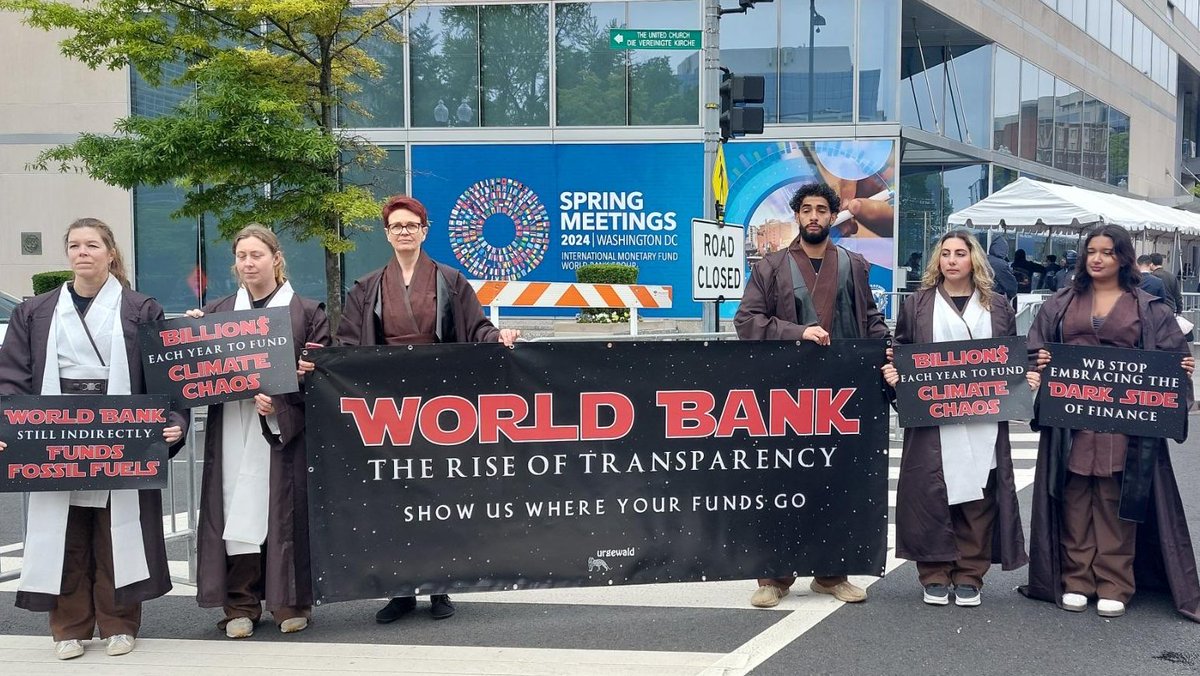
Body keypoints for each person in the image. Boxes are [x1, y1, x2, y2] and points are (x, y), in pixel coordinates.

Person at [0, 218, 186, 659]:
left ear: (110, 253)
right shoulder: (36, 311)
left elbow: (166, 372)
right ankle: (69, 626)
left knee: (116, 529)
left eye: (92, 245)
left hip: (120, 431)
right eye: (75, 245)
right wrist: (9, 428)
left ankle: (119, 623)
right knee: (66, 533)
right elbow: (12, 376)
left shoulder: (141, 308)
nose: (83, 252)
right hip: (56, 430)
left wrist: (173, 418)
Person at [333, 195, 520, 624]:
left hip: (439, 404)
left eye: (410, 225)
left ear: (424, 230)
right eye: (395, 226)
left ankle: (440, 588)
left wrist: (499, 336)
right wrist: (316, 364)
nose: (403, 232)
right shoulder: (367, 287)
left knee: (438, 496)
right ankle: (400, 591)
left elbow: (478, 328)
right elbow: (345, 346)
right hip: (387, 407)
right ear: (386, 233)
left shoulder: (451, 280)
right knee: (393, 495)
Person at [1022, 224, 1199, 620]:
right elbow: (1035, 349)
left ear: (1124, 258)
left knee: (1116, 499)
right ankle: (1077, 579)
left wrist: (1180, 368)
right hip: (1071, 420)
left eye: (1107, 251)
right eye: (1092, 252)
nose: (1098, 258)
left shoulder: (1148, 307)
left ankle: (1114, 582)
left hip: (1124, 422)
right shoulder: (1062, 302)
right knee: (1072, 496)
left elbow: (1173, 356)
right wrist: (1043, 363)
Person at [734, 182, 890, 608]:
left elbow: (871, 320)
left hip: (841, 394)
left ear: (833, 215)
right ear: (797, 216)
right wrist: (797, 331)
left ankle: (831, 573)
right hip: (785, 393)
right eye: (807, 210)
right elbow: (746, 321)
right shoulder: (771, 266)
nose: (815, 216)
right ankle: (774, 577)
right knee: (781, 483)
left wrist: (890, 349)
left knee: (835, 482)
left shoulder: (854, 265)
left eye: (823, 209)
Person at [189, 225, 329, 639]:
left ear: (276, 258)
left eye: (257, 255)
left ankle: (289, 601)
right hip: (233, 424)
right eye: (242, 256)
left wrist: (285, 400)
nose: (249, 263)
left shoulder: (306, 311)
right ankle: (240, 604)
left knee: (283, 510)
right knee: (236, 509)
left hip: (284, 427)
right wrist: (188, 335)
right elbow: (188, 368)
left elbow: (322, 374)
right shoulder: (217, 313)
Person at [882, 231, 1033, 608]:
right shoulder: (918, 304)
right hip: (933, 413)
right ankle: (933, 573)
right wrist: (895, 372)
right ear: (938, 262)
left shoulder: (997, 306)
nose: (952, 260)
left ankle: (970, 573)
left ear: (973, 260)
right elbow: (902, 347)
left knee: (979, 494)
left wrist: (1025, 375)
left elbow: (1010, 355)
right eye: (945, 254)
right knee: (932, 492)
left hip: (983, 415)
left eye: (960, 254)